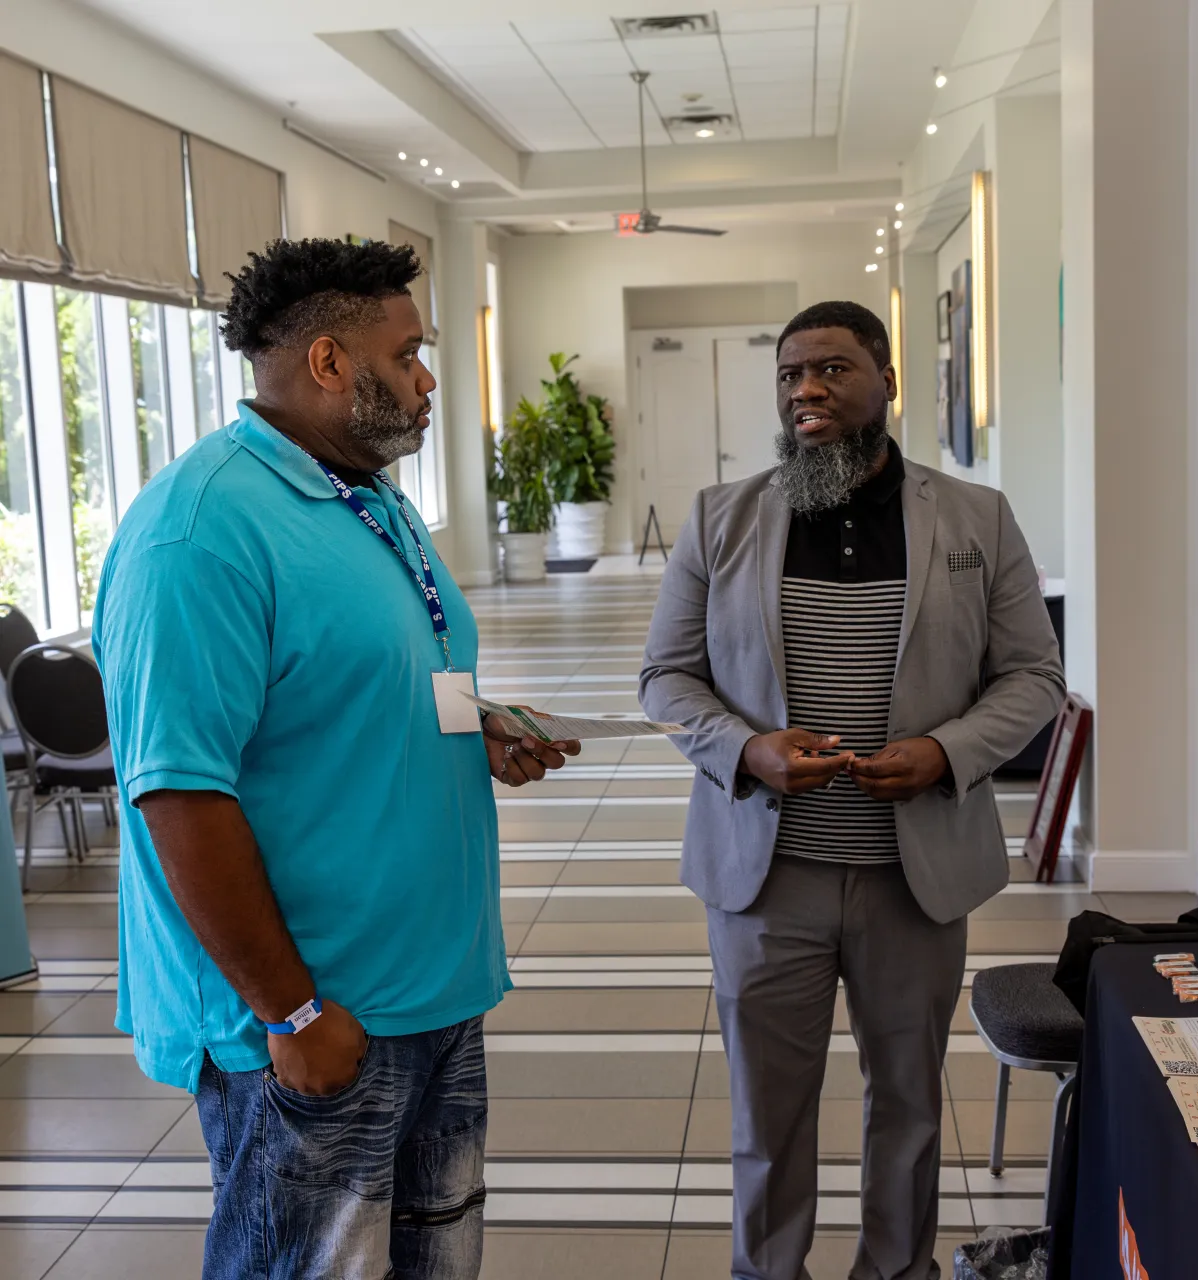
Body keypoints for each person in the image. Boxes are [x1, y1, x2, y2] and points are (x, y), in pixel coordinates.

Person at [92, 238, 576, 1280]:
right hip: (318, 1018)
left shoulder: (370, 500)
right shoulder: (202, 530)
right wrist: (296, 1010)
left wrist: (475, 719)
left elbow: (367, 673)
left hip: (428, 989)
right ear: (326, 364)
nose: (427, 378)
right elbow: (176, 793)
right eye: (408, 354)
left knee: (432, 1261)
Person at [640, 300, 1066, 1280]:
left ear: (886, 380)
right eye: (789, 373)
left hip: (910, 876)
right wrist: (745, 750)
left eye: (830, 367)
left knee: (910, 1105)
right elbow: (665, 676)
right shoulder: (722, 517)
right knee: (767, 1114)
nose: (805, 390)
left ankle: (895, 1270)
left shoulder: (972, 518)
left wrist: (946, 750)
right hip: (763, 873)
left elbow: (1035, 677)